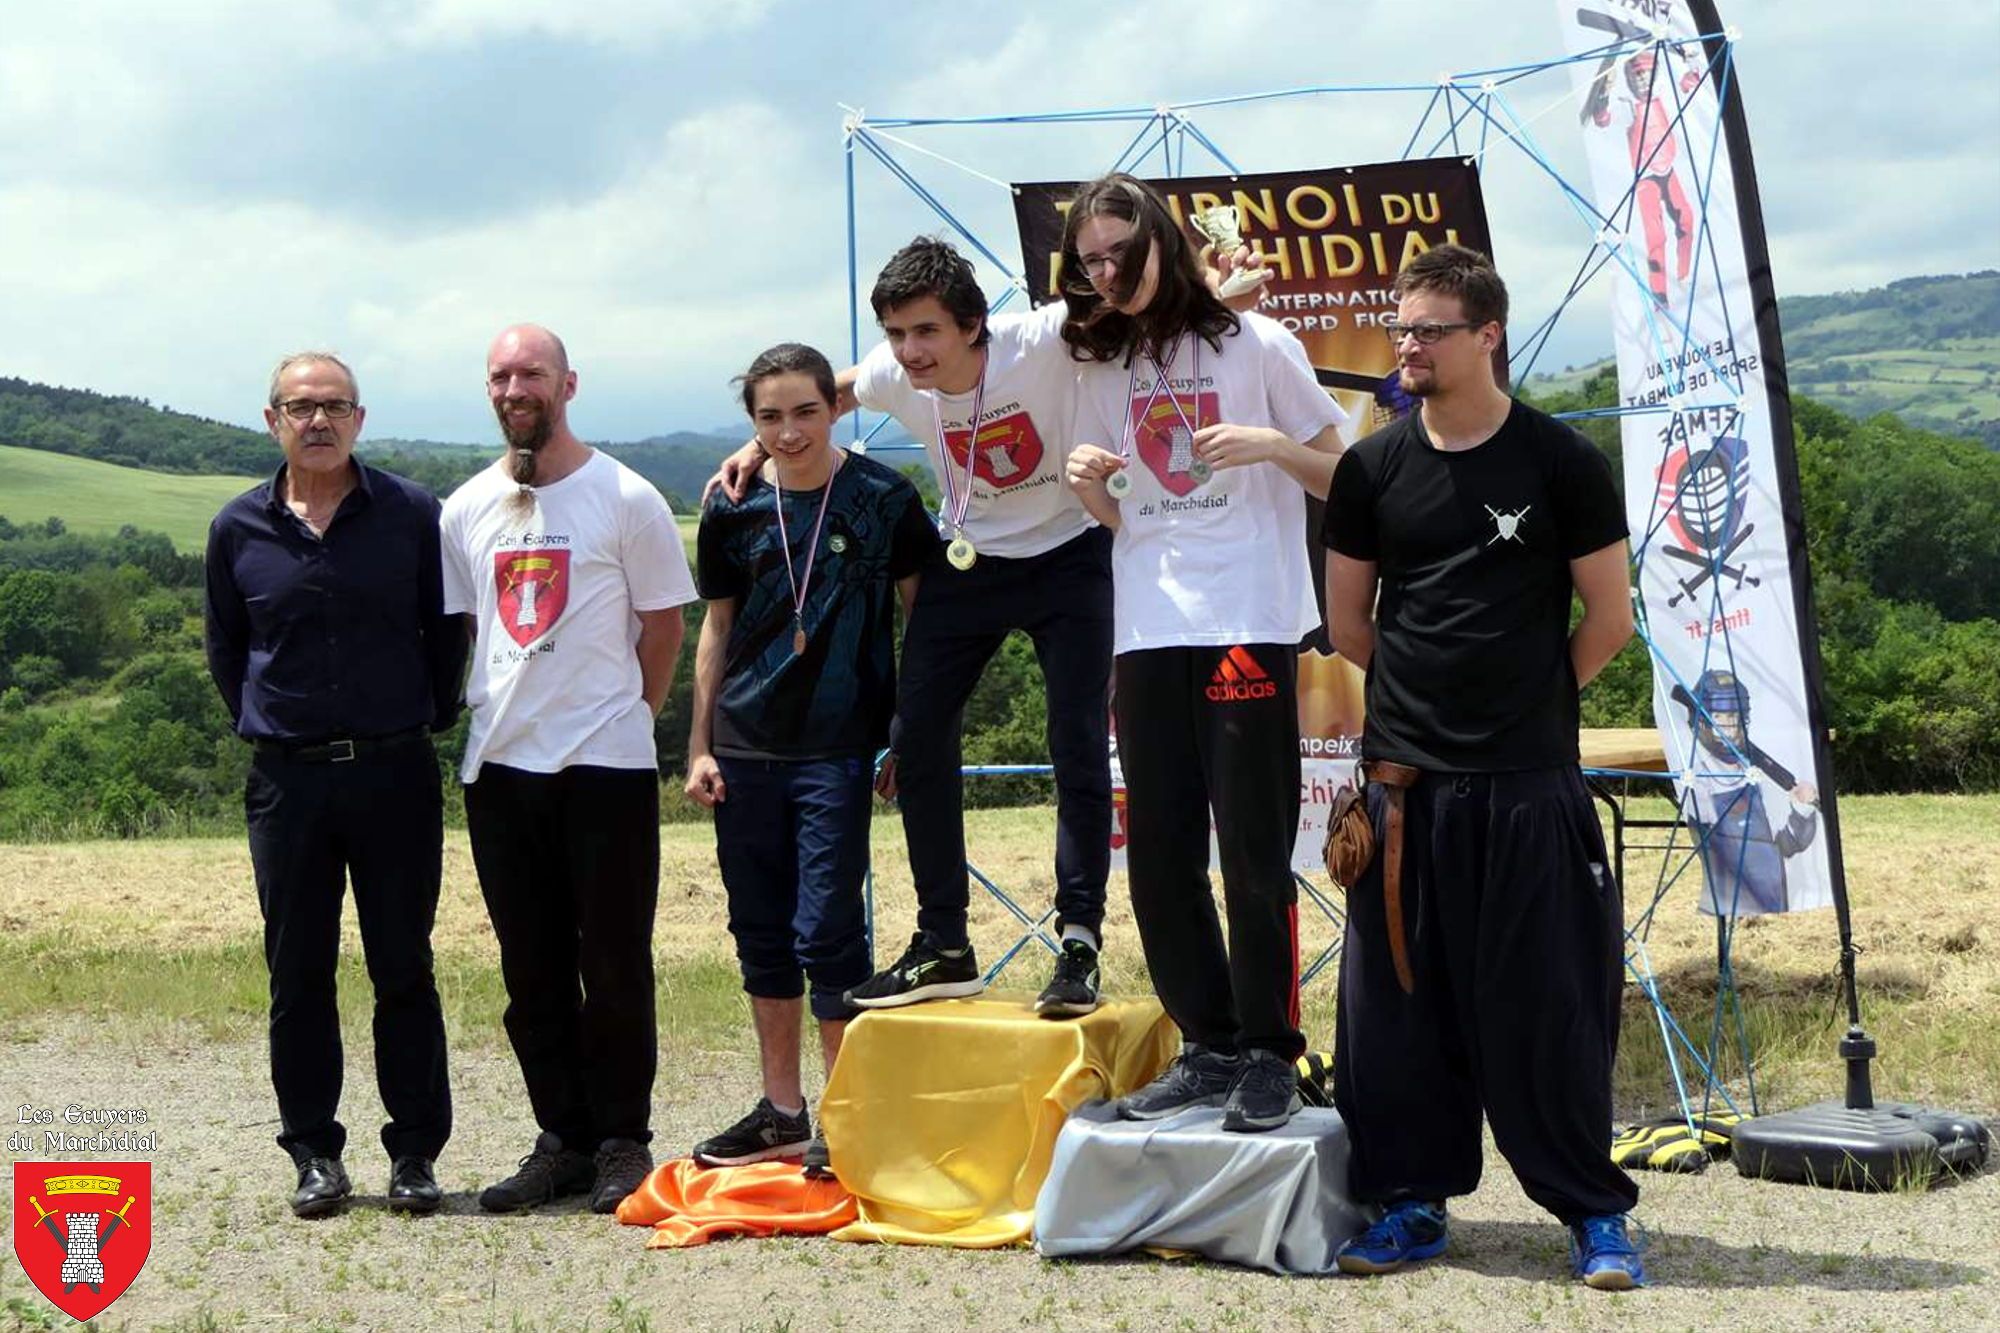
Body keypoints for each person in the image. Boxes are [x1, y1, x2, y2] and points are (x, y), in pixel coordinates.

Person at [1319, 244, 1645, 1288]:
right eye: (1400, 329)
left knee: (1547, 1005)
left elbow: (1606, 619)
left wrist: (1524, 708)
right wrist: (1428, 715)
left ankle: (1591, 1213)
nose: (1406, 346)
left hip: (1529, 785)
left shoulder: (1560, 462)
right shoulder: (1371, 468)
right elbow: (1347, 623)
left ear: (1486, 335)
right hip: (1405, 791)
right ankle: (1409, 1207)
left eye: (1427, 330)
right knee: (1395, 1014)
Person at [716, 237, 1114, 1018]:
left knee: (1074, 742)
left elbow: (1143, 309)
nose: (909, 350)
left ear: (972, 322)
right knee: (918, 734)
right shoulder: (897, 372)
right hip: (969, 560)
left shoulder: (1042, 338)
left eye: (925, 330)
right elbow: (833, 388)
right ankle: (945, 942)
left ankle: (1079, 941)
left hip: (1071, 553)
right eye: (897, 332)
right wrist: (756, 442)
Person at [1061, 172, 1349, 1133]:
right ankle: (1209, 1045)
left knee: (1255, 846)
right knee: (1158, 851)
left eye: (1117, 253)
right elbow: (1117, 513)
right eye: (1088, 260)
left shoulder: (1262, 343)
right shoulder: (1105, 367)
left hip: (1247, 615)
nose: (1104, 274)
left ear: (1160, 243)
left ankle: (1270, 1049)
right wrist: (1088, 481)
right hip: (1147, 624)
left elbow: (1344, 470)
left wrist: (1271, 443)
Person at [440, 324, 697, 1215]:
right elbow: (477, 632)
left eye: (533, 372)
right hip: (501, 766)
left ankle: (624, 1137)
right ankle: (563, 1139)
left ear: (568, 384)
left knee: (615, 960)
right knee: (531, 969)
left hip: (604, 764)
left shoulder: (626, 496)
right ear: (489, 389)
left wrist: (631, 714)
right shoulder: (465, 506)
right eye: (501, 374)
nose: (517, 386)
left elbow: (662, 626)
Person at [204, 351, 463, 1218]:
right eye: (300, 406)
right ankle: (314, 1151)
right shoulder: (237, 528)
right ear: (270, 417)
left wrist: (422, 715)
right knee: (298, 971)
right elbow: (227, 649)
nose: (318, 420)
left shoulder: (412, 515)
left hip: (394, 770)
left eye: (335, 406)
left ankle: (416, 1153)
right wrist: (269, 721)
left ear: (361, 417)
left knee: (404, 966)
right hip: (288, 780)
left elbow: (446, 631)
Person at [685, 343, 936, 1171]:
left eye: (804, 412)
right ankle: (782, 1111)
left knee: (827, 930)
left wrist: (910, 729)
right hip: (744, 744)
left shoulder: (884, 498)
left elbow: (922, 621)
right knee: (759, 931)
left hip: (839, 744)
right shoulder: (731, 506)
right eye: (769, 417)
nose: (789, 432)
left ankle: (846, 1113)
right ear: (751, 423)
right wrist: (699, 745)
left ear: (834, 409)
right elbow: (714, 629)